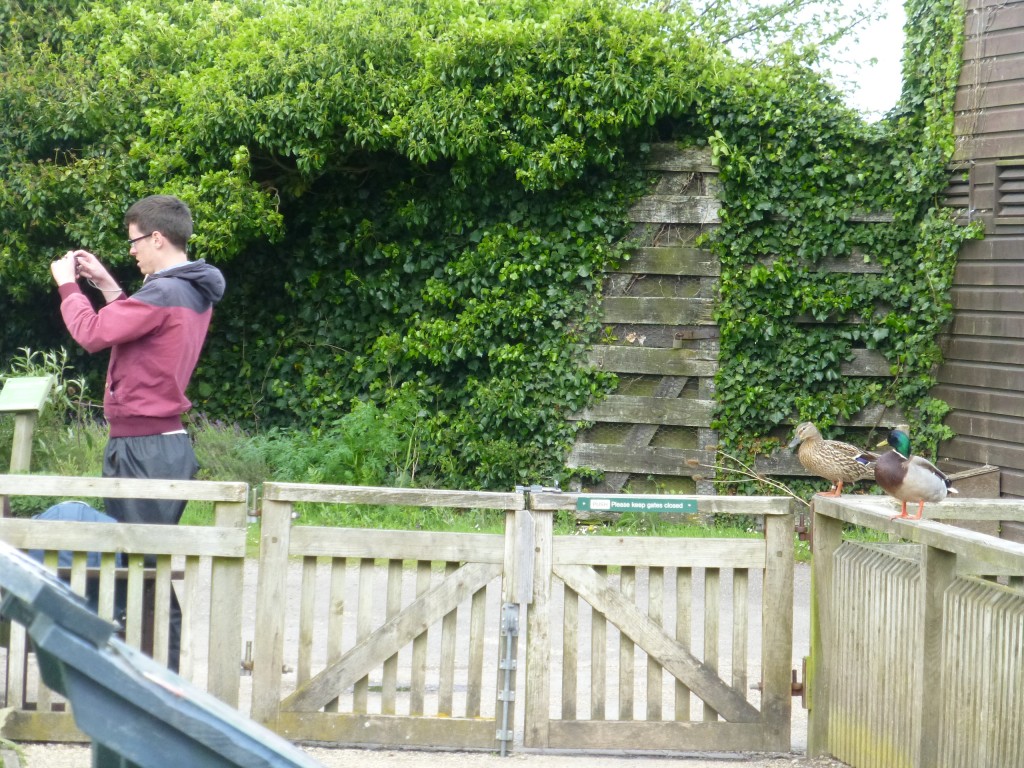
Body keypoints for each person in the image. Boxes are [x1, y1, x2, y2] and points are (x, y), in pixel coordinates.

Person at [50, 194, 225, 670]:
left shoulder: (166, 292)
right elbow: (137, 326)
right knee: (142, 566)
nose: (131, 252)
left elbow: (91, 334)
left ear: (157, 238)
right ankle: (148, 673)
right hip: (157, 444)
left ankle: (161, 679)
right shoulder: (184, 290)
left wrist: (68, 286)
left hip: (145, 447)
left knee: (142, 570)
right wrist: (107, 284)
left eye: (134, 242)